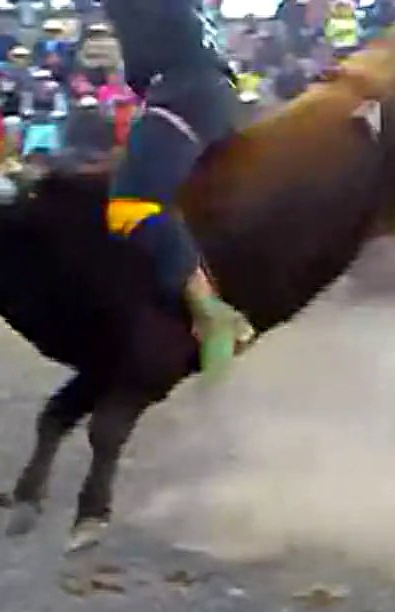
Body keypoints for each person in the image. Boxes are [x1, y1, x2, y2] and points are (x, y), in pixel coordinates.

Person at [102, 0, 255, 376]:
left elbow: (137, 74)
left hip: (185, 95)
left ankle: (209, 311)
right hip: (218, 95)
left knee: (129, 207)